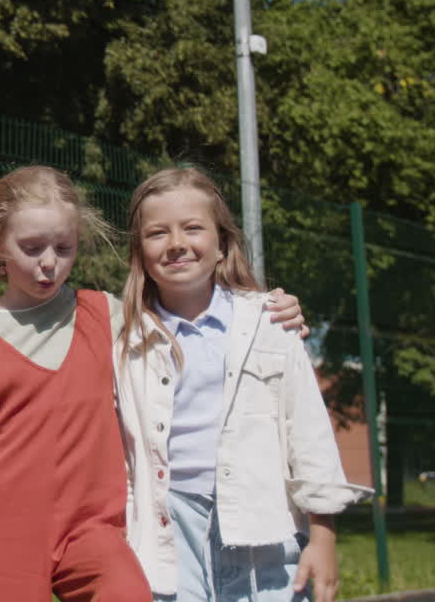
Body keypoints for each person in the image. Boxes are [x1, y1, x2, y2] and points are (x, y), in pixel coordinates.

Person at [0, 166, 310, 602]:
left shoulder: (106, 315)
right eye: (32, 248)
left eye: (64, 247)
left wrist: (266, 312)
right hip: (4, 530)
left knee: (129, 592)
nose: (49, 263)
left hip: (92, 526)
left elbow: (192, 322)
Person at [115, 167, 372, 602]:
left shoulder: (269, 323)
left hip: (264, 524)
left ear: (222, 244)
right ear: (139, 252)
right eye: (157, 233)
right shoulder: (122, 338)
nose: (177, 243)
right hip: (167, 529)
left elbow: (307, 431)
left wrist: (323, 537)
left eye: (193, 228)